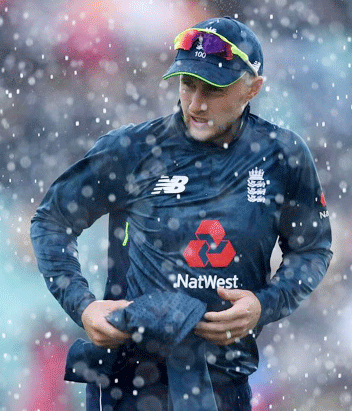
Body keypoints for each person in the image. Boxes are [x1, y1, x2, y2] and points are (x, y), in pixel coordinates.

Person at [30, 16, 332, 411]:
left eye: (214, 88)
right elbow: (52, 221)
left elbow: (312, 249)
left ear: (252, 89)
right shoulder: (132, 150)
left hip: (223, 381)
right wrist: (82, 304)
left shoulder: (282, 157)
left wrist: (266, 304)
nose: (196, 103)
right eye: (188, 84)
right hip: (130, 380)